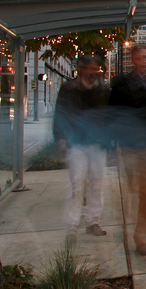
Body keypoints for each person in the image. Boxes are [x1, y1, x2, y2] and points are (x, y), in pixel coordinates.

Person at [109, 43, 146, 256]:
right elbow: (112, 114)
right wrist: (111, 146)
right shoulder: (121, 84)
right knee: (134, 191)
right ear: (134, 59)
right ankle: (133, 229)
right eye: (144, 57)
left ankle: (142, 238)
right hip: (130, 145)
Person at [52, 54, 110, 246]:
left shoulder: (104, 90)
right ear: (80, 69)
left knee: (97, 183)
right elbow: (60, 114)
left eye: (96, 69)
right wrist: (60, 137)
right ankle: (71, 226)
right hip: (76, 143)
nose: (93, 73)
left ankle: (93, 221)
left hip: (97, 144)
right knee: (76, 186)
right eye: (89, 68)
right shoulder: (68, 89)